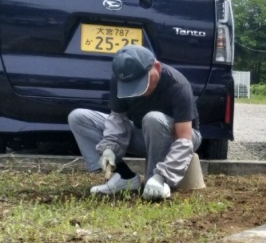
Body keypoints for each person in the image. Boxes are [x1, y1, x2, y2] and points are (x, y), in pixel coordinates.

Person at [68, 45, 201, 200]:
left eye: (142, 82)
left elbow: (184, 140)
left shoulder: (177, 85)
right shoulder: (120, 79)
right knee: (79, 117)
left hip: (181, 138)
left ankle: (157, 181)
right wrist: (109, 148)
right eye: (131, 85)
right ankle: (123, 177)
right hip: (144, 134)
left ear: (156, 67)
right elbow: (117, 118)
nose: (139, 90)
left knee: (153, 118)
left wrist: (162, 176)